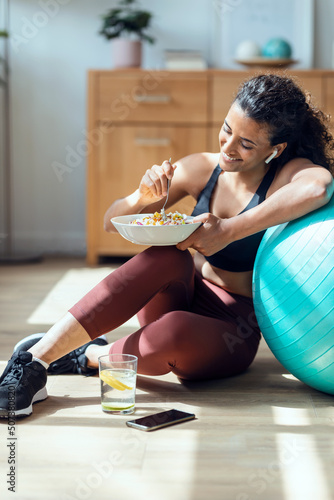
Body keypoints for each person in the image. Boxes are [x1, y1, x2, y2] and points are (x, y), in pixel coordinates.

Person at [1, 74, 333, 418]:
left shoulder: (286, 172)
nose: (228, 147)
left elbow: (318, 189)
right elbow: (110, 221)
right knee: (164, 256)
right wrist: (140, 196)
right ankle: (33, 361)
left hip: (233, 327)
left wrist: (230, 230)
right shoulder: (201, 168)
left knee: (173, 331)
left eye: (246, 144)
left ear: (275, 149)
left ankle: (86, 356)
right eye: (227, 129)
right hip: (184, 289)